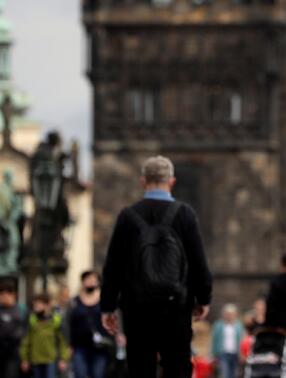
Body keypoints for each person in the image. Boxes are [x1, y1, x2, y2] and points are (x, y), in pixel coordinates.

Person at [100, 155, 213, 378]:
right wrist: (203, 298)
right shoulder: (185, 214)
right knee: (177, 365)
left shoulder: (128, 217)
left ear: (143, 181)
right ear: (172, 181)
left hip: (137, 306)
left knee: (140, 367)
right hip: (176, 305)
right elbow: (198, 261)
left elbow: (113, 266)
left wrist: (107, 306)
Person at [69, 270, 114, 378]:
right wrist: (68, 344)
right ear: (83, 282)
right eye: (88, 279)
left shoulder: (105, 300)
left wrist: (116, 336)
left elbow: (113, 320)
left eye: (94, 280)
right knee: (80, 374)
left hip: (101, 346)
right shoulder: (74, 302)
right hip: (79, 346)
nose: (91, 282)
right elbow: (68, 323)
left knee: (98, 374)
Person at [20, 292, 71, 378]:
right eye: (34, 305)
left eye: (38, 305)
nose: (35, 308)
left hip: (51, 360)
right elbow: (25, 341)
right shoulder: (31, 319)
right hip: (35, 360)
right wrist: (24, 359)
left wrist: (63, 359)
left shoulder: (56, 320)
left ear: (47, 305)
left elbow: (62, 341)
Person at [210, 304, 244, 378]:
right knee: (224, 374)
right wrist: (213, 354)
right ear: (224, 314)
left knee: (234, 374)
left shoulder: (239, 325)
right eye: (228, 314)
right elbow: (214, 340)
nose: (229, 316)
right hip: (222, 353)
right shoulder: (218, 325)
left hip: (236, 354)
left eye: (231, 314)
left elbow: (242, 340)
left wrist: (242, 353)